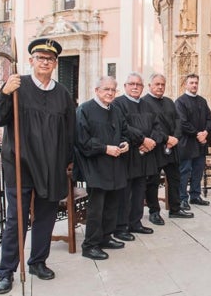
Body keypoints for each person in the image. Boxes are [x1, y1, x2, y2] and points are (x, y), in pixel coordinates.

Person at [0, 38, 75, 294]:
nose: (45, 62)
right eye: (40, 58)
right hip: (21, 164)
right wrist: (5, 92)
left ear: (55, 63)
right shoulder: (17, 85)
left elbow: (70, 132)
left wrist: (68, 162)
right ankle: (6, 271)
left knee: (46, 218)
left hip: (52, 166)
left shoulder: (63, 94)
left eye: (49, 59)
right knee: (16, 219)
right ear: (31, 61)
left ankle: (38, 261)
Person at [75, 76, 130, 261]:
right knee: (96, 208)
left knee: (112, 205)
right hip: (96, 167)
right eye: (106, 89)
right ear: (97, 90)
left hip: (115, 166)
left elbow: (123, 131)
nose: (110, 93)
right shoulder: (85, 109)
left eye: (113, 90)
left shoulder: (115, 110)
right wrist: (105, 148)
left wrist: (125, 143)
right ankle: (90, 245)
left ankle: (106, 237)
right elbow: (82, 141)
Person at [112, 72, 161, 240]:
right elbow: (122, 127)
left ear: (142, 87)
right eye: (131, 84)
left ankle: (136, 222)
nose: (135, 87)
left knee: (140, 190)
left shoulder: (147, 105)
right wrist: (142, 140)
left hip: (145, 155)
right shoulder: (118, 104)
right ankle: (121, 227)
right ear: (125, 86)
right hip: (128, 155)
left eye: (138, 84)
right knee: (125, 193)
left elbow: (156, 126)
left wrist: (151, 141)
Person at [142, 74, 193, 223]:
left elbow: (178, 121)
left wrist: (175, 138)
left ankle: (175, 209)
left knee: (175, 178)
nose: (160, 87)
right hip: (155, 148)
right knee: (153, 181)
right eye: (157, 84)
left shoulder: (170, 102)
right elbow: (148, 127)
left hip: (172, 147)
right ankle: (154, 211)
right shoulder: (144, 103)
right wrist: (166, 139)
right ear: (150, 85)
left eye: (162, 84)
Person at [175, 74, 211, 208]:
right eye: (191, 83)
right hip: (186, 143)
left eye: (196, 82)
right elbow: (182, 123)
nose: (194, 85)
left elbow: (210, 119)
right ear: (185, 84)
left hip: (201, 143)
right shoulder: (180, 101)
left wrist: (206, 132)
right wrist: (198, 134)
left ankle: (195, 196)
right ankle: (182, 198)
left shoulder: (202, 101)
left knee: (198, 170)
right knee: (185, 172)